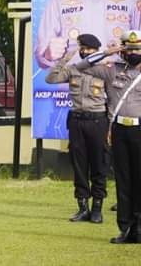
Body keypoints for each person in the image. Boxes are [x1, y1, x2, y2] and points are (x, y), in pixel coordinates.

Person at [75, 30, 141, 243]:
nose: (132, 53)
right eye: (129, 49)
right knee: (123, 180)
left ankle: (140, 227)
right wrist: (108, 51)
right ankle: (126, 228)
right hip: (119, 131)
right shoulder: (113, 71)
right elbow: (82, 66)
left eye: (137, 49)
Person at [45, 33, 108, 223]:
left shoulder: (105, 71)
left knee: (99, 165)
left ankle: (97, 208)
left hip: (97, 120)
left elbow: (113, 100)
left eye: (89, 49)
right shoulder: (73, 70)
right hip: (76, 120)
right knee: (79, 164)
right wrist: (64, 59)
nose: (85, 52)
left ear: (97, 51)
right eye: (82, 48)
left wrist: (111, 125)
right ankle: (82, 207)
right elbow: (51, 79)